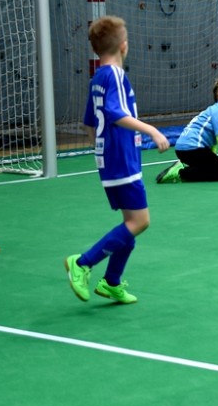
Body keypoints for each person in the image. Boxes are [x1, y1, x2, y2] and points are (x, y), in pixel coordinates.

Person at [65, 16, 170, 305]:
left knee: (129, 223)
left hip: (109, 159)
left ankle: (111, 282)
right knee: (140, 221)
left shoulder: (98, 77)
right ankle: (82, 263)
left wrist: (102, 148)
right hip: (122, 159)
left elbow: (89, 122)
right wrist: (151, 130)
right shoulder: (116, 75)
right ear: (124, 45)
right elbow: (115, 112)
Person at [155, 77, 218, 184]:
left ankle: (183, 167)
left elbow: (212, 141)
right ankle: (180, 172)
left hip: (185, 149)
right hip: (192, 149)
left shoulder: (215, 109)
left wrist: (212, 159)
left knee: (216, 169)